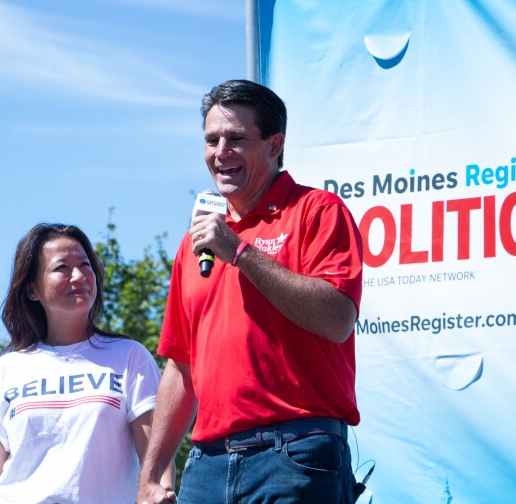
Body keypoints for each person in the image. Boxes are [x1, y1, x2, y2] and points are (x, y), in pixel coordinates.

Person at [137, 80, 364, 504]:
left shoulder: (318, 212)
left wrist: (239, 251)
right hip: (206, 464)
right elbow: (180, 366)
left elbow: (337, 320)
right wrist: (150, 475)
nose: (220, 151)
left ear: (275, 144)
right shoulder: (194, 243)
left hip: (294, 453)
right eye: (211, 140)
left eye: (236, 138)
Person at [0, 223, 175, 504]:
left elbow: (156, 453)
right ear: (31, 290)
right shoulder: (6, 370)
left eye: (85, 265)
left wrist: (161, 494)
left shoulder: (129, 357)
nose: (79, 276)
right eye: (62, 267)